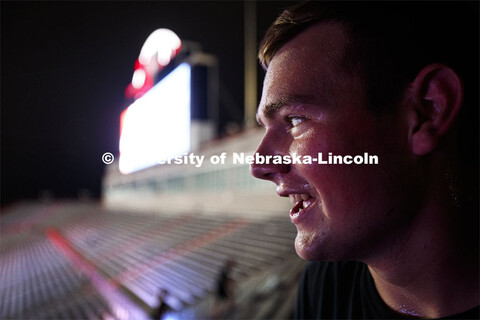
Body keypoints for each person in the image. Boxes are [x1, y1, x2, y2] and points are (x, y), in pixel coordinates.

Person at [251, 1, 479, 319]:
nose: (260, 165)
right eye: (266, 127)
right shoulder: (323, 288)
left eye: (295, 120)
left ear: (428, 111)